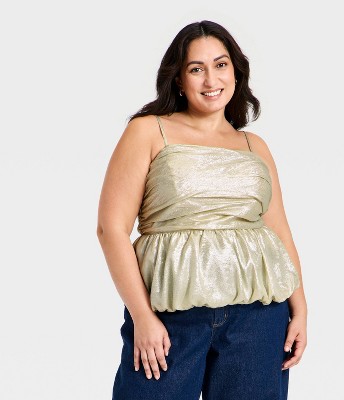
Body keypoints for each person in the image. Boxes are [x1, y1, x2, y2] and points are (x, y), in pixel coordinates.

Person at [96, 20, 307, 400]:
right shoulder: (148, 131)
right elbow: (111, 229)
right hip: (170, 315)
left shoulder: (254, 146)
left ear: (236, 72)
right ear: (179, 79)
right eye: (197, 69)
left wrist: (301, 308)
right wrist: (142, 317)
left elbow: (279, 233)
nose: (211, 79)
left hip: (259, 317)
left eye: (220, 65)